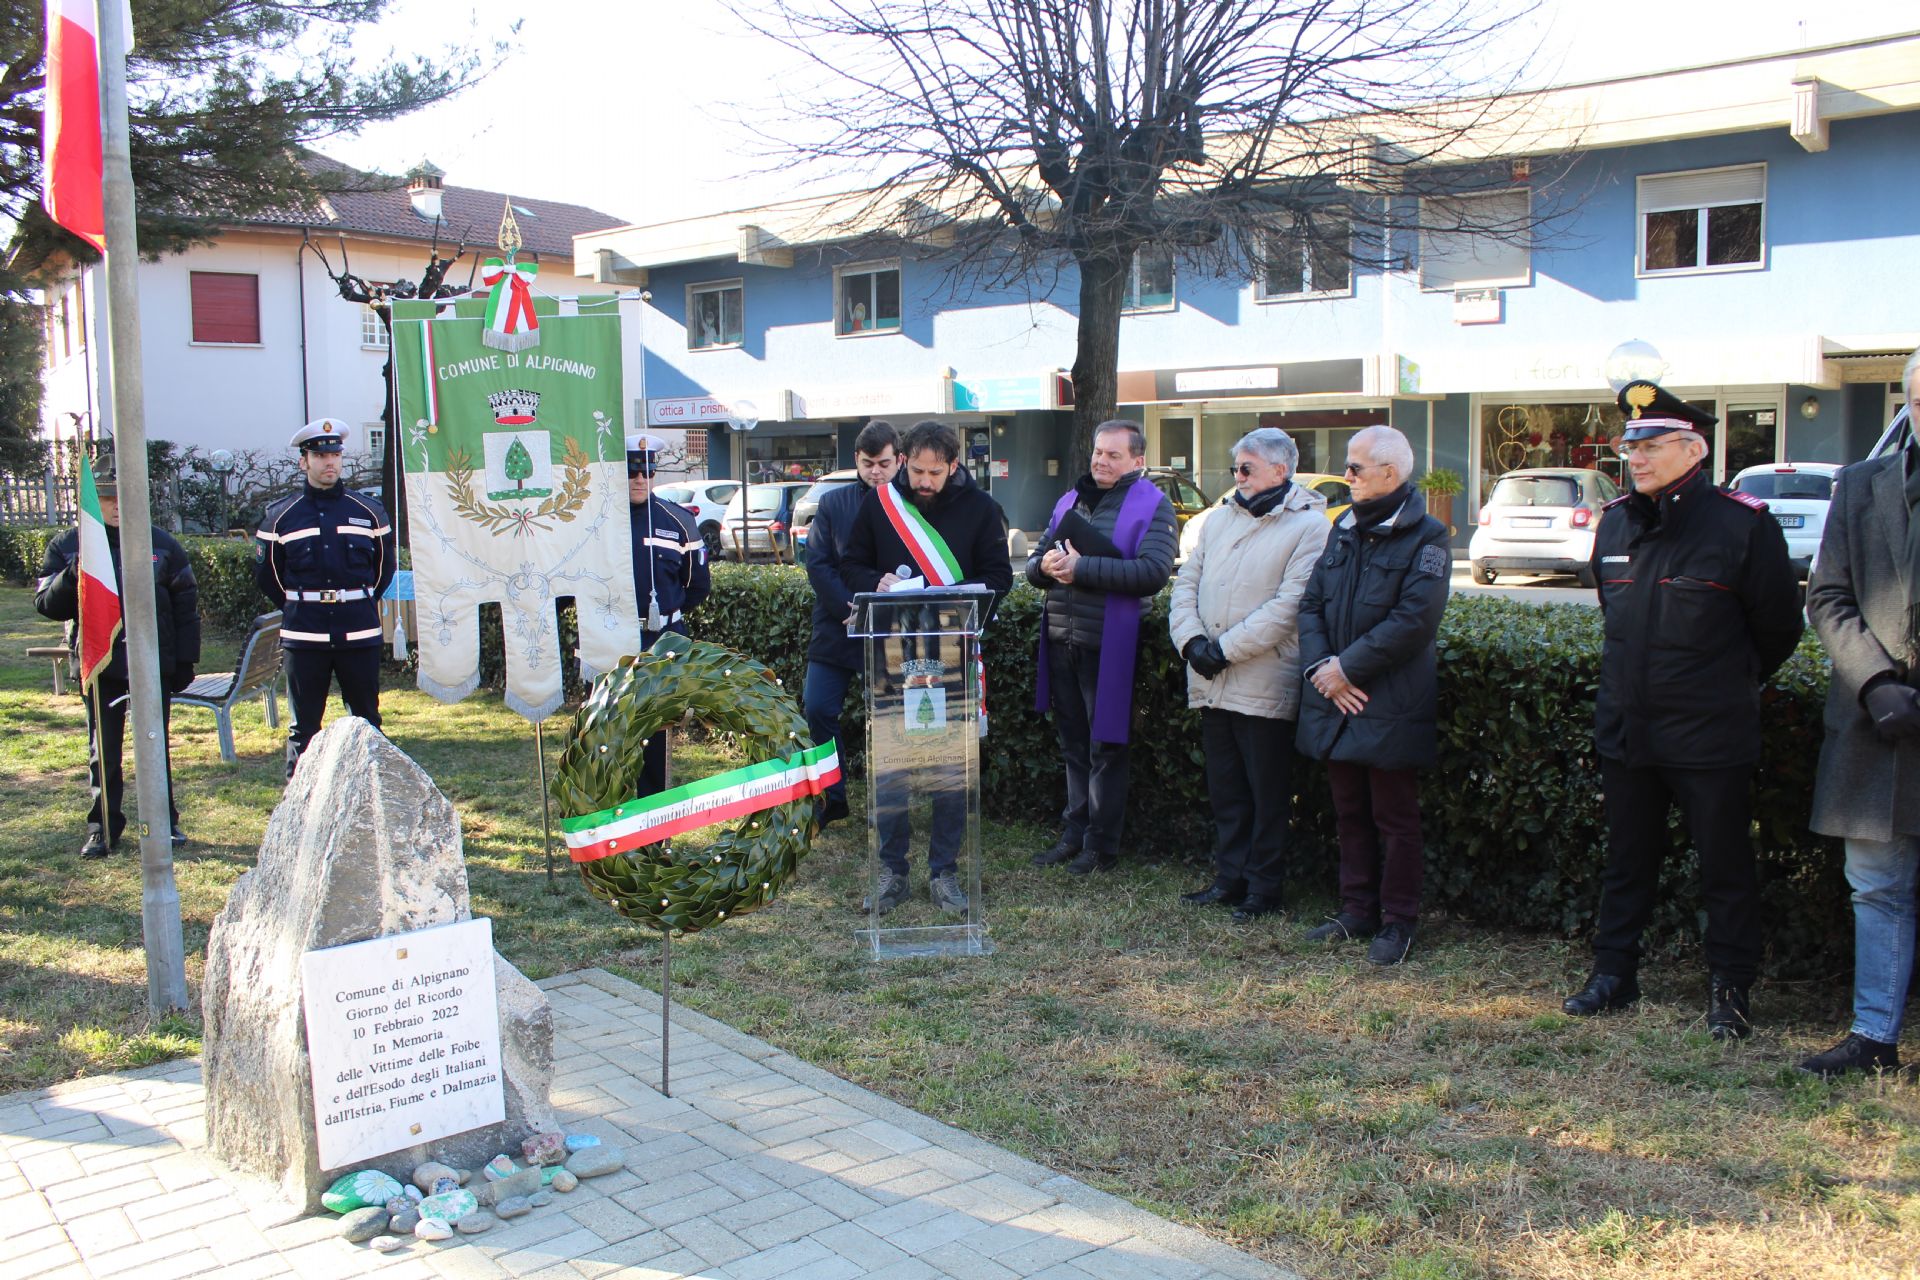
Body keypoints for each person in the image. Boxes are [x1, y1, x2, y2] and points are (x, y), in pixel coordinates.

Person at [1561, 380, 1802, 1038]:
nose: (1634, 458)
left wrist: (1722, 684)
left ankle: (1730, 988)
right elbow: (1616, 615)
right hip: (1628, 727)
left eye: (1650, 446)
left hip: (1709, 732)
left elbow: (1778, 629)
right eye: (1629, 446)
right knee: (1626, 860)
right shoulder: (1616, 522)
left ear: (1694, 450)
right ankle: (1614, 974)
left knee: (1724, 866)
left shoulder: (1741, 524)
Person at [1798, 349, 1920, 1076]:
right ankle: (1875, 1036)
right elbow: (1828, 595)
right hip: (1879, 723)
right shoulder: (1862, 483)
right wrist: (1874, 681)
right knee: (1877, 886)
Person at [842, 420, 1014, 914]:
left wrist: (956, 599)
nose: (923, 481)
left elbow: (999, 577)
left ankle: (944, 872)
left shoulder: (981, 509)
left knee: (950, 771)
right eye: (915, 470)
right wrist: (876, 581)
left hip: (951, 657)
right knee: (891, 770)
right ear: (904, 462)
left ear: (953, 466)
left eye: (934, 473)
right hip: (890, 656)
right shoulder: (881, 504)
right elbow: (850, 564)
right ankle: (892, 872)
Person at [1296, 425, 1451, 964]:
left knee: (1394, 818)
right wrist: (1325, 669)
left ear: (1390, 473)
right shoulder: (1342, 528)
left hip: (1388, 699)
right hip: (1338, 695)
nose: (1347, 475)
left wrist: (1347, 669)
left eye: (1355, 467)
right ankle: (1356, 909)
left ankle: (1398, 921)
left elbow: (1414, 620)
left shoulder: (1428, 536)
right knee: (1349, 812)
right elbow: (1311, 604)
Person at [1167, 429, 1327, 918]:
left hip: (1263, 679)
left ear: (1280, 470)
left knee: (1267, 792)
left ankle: (1264, 887)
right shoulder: (1219, 519)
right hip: (1212, 678)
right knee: (1227, 790)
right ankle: (1230, 879)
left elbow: (1290, 605)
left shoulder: (1310, 527)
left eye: (1246, 468)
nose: (1236, 476)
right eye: (1235, 467)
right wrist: (1191, 642)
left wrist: (1223, 650)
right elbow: (1186, 582)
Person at [1028, 420, 1178, 876]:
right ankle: (1074, 833)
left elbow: (1153, 573)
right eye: (1098, 452)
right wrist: (1045, 566)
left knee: (1106, 748)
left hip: (1110, 643)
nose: (1101, 461)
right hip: (1062, 636)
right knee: (1073, 745)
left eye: (1114, 455)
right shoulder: (1069, 500)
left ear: (1137, 460)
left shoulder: (1154, 504)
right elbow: (1033, 564)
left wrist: (1082, 568)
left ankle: (1101, 845)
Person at [36, 455, 201, 857]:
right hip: (101, 665)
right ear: (92, 502)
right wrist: (74, 572)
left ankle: (164, 822)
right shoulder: (68, 546)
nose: (115, 505)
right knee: (104, 751)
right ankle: (103, 827)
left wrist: (184, 662)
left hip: (152, 663)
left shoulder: (161, 543)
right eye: (106, 498)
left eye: (122, 496)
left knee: (155, 746)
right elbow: (47, 605)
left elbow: (186, 605)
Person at [255, 419, 397, 779]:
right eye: (320, 456)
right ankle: (298, 800)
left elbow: (384, 570)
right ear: (304, 461)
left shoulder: (369, 511)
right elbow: (269, 577)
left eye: (334, 454)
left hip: (358, 632)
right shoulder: (280, 517)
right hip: (305, 636)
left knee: (367, 722)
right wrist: (304, 605)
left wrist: (356, 602)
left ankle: (371, 793)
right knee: (303, 728)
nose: (329, 462)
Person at [803, 420, 901, 827]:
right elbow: (818, 563)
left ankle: (892, 803)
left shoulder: (912, 506)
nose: (875, 472)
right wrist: (848, 606)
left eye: (883, 464)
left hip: (893, 629)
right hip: (838, 622)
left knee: (893, 716)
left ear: (899, 460)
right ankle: (832, 797)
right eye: (867, 464)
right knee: (817, 707)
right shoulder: (833, 503)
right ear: (856, 460)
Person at [626, 432, 712, 796]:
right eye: (632, 472)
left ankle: (653, 815)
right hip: (613, 640)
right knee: (611, 737)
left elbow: (697, 585)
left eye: (646, 472)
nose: (640, 479)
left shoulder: (678, 520)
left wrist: (667, 615)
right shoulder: (600, 522)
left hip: (661, 641)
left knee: (656, 739)